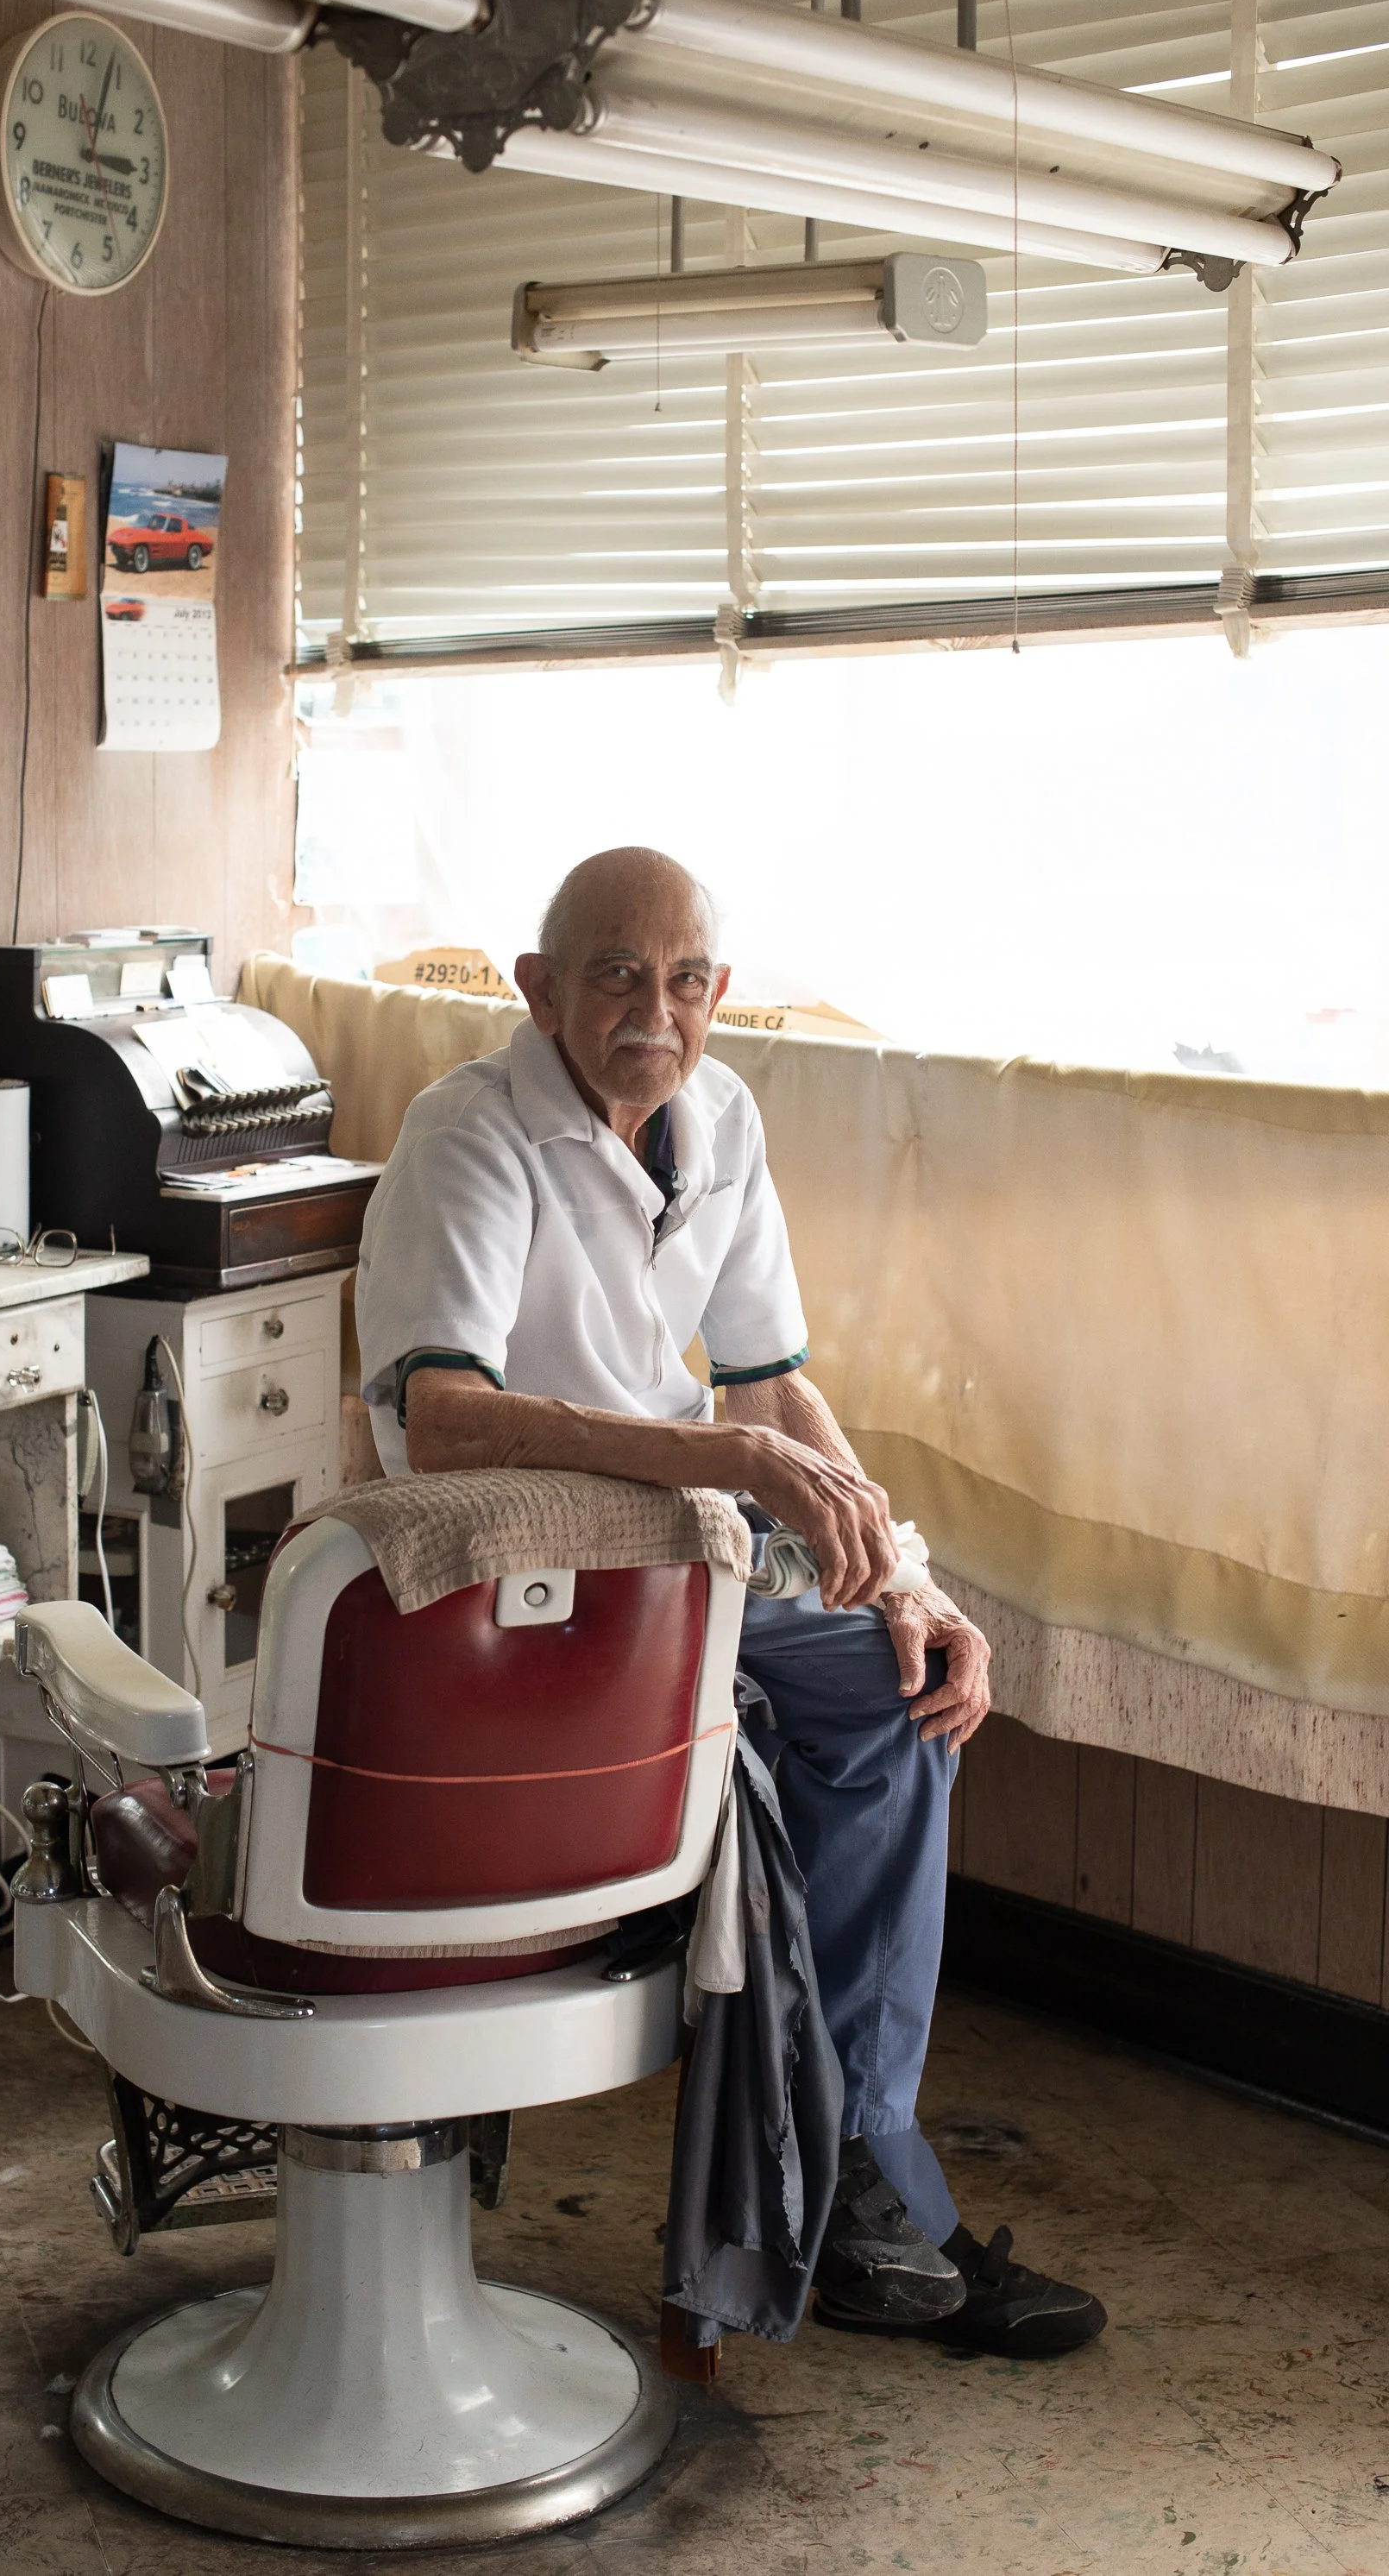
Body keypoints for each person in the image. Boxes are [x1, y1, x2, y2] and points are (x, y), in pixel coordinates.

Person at [355, 847, 1106, 2358]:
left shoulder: (727, 1120)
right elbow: (442, 1412)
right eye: (618, 975)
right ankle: (830, 2202)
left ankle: (853, 2195)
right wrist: (731, 1456)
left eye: (686, 979)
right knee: (809, 1748)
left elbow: (772, 1378)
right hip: (525, 1604)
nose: (656, 1010)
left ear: (720, 994)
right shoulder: (471, 1136)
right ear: (539, 987)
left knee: (908, 1694)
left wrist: (903, 1574)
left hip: (687, 1586)